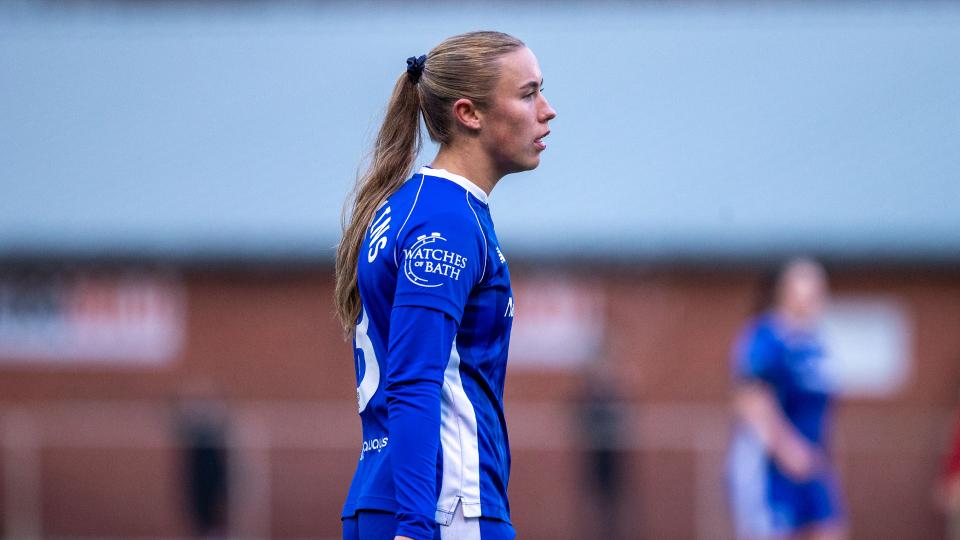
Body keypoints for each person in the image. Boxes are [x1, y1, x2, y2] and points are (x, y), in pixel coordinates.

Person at [333, 31, 556, 540]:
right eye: (527, 93)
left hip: (388, 499)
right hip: (443, 509)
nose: (547, 110)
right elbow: (414, 381)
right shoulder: (447, 223)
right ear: (468, 113)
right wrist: (415, 526)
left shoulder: (411, 206)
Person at [727, 258, 847, 540]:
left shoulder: (817, 343)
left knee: (831, 529)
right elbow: (750, 399)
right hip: (772, 466)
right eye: (805, 283)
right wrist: (787, 450)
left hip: (814, 462)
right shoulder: (765, 337)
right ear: (786, 289)